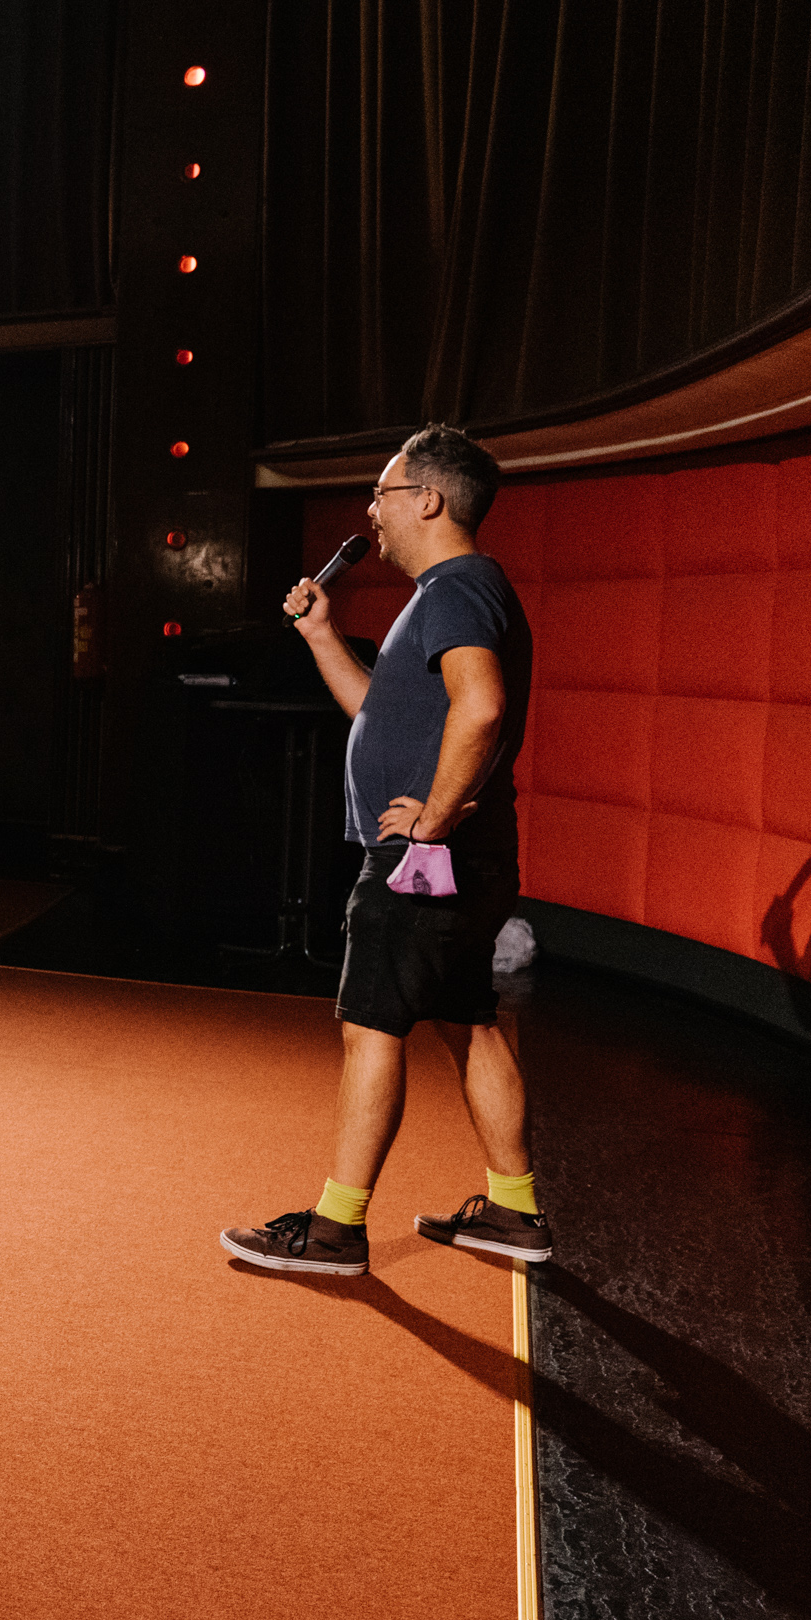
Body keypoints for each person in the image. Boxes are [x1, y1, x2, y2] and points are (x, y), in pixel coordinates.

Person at [221, 425, 545, 1277]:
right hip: (470, 858)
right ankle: (515, 1210)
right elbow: (378, 713)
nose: (371, 510)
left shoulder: (455, 589)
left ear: (428, 500)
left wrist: (431, 820)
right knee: (469, 1019)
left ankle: (335, 1229)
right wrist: (322, 635)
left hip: (424, 860)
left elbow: (481, 706)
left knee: (370, 1025)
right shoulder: (461, 590)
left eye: (383, 493)